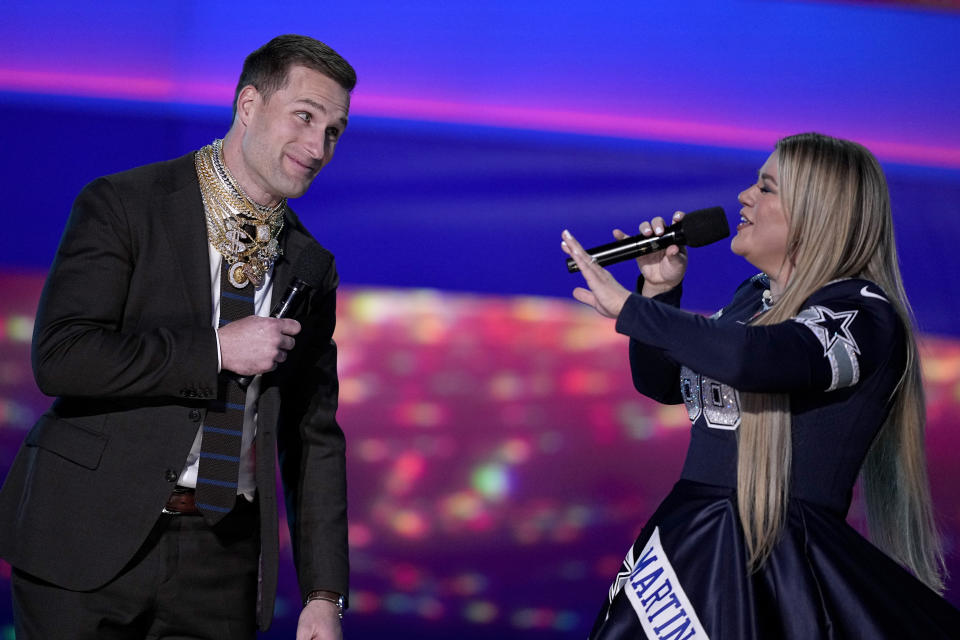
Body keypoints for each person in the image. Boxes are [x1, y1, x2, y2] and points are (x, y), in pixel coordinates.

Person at [0, 34, 354, 639]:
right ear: (248, 105)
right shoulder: (126, 204)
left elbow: (312, 434)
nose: (317, 145)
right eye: (305, 116)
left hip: (220, 562)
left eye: (333, 131)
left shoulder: (310, 264)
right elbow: (62, 357)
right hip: (88, 541)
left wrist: (324, 594)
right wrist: (217, 349)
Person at [562, 132, 960, 638]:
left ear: (817, 213)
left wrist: (631, 310)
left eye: (766, 188)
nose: (744, 197)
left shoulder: (862, 315)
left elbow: (755, 361)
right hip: (691, 539)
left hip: (771, 567)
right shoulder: (753, 298)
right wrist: (659, 294)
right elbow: (663, 383)